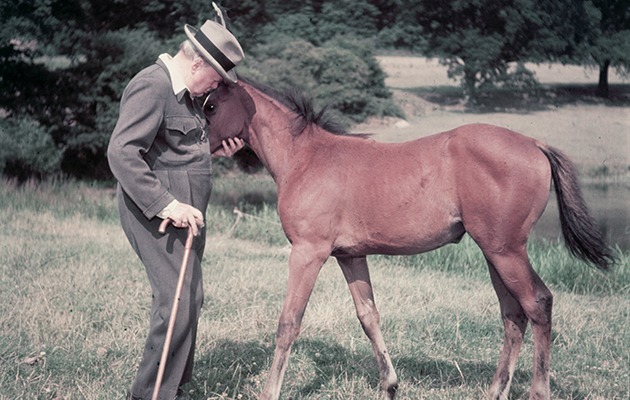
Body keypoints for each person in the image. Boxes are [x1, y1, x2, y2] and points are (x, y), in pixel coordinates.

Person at [107, 20, 245, 400]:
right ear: (198, 63)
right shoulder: (152, 85)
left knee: (190, 297)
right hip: (158, 213)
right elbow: (122, 153)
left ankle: (175, 387)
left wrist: (214, 151)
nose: (217, 86)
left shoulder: (186, 95)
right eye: (217, 78)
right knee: (176, 300)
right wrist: (167, 204)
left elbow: (172, 152)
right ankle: (151, 394)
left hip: (187, 214)